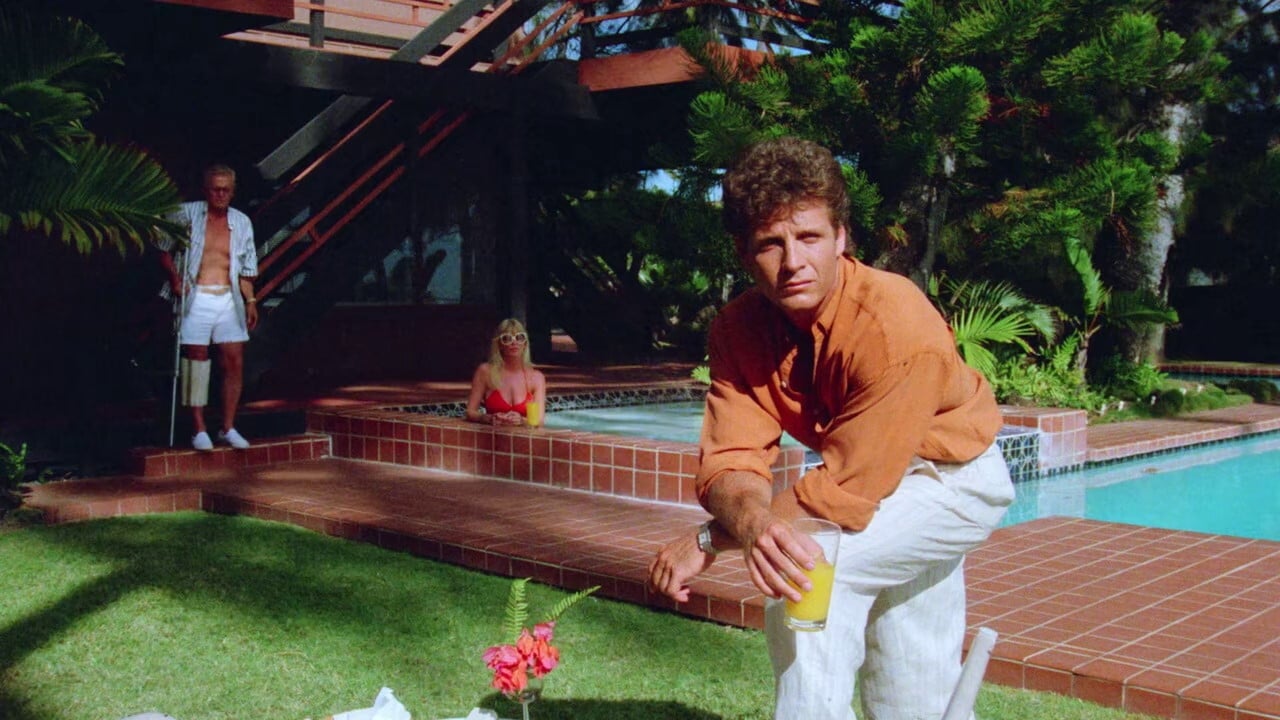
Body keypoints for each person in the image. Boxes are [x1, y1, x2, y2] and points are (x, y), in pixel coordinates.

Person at [647, 138, 1015, 720]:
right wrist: (750, 522)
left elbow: (842, 493)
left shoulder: (893, 324)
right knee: (914, 695)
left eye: (810, 237)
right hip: (877, 485)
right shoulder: (739, 329)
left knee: (806, 565)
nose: (793, 261)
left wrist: (707, 542)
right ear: (744, 253)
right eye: (771, 243)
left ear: (842, 238)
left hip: (953, 482)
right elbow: (732, 459)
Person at [156, 164, 259, 451]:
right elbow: (162, 247)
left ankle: (228, 427)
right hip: (196, 294)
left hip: (228, 297)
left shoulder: (241, 222)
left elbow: (247, 269)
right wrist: (175, 280)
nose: (220, 194)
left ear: (233, 191)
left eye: (226, 190)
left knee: (234, 360)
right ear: (206, 190)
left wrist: (251, 300)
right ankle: (199, 429)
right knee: (196, 360)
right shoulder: (185, 213)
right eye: (215, 189)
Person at [465, 318, 547, 426]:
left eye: (519, 337)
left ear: (525, 343)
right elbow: (470, 412)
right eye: (507, 338)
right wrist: (488, 418)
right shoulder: (485, 372)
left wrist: (522, 421)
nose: (514, 342)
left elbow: (539, 421)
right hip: (493, 434)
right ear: (499, 344)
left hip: (523, 436)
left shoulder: (536, 377)